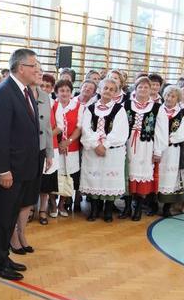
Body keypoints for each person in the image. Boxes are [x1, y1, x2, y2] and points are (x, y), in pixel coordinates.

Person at [0, 48, 40, 280]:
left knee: (9, 217)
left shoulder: (25, 91)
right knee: (1, 217)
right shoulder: (3, 93)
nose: (37, 70)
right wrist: (4, 170)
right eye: (33, 66)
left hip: (23, 168)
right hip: (8, 171)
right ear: (20, 68)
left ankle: (4, 256)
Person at [10, 63, 53, 251]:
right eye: (36, 70)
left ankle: (22, 232)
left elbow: (48, 127)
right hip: (21, 153)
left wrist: (49, 153)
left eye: (41, 72)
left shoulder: (45, 96)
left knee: (29, 196)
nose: (39, 74)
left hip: (39, 151)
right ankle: (12, 234)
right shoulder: (20, 93)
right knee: (17, 196)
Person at [79, 78, 129, 222]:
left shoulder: (119, 109)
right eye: (105, 88)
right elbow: (86, 129)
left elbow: (120, 131)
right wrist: (96, 144)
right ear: (99, 90)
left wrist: (105, 145)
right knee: (94, 179)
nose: (108, 91)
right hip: (93, 150)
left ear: (116, 93)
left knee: (110, 180)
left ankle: (108, 210)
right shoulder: (90, 108)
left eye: (112, 89)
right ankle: (94, 209)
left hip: (111, 152)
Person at [121, 77, 167, 221]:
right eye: (140, 87)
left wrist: (158, 151)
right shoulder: (126, 104)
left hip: (146, 146)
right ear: (135, 89)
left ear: (151, 90)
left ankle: (138, 208)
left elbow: (161, 131)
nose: (143, 89)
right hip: (127, 144)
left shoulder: (158, 108)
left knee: (142, 176)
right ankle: (127, 207)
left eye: (146, 87)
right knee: (127, 173)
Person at [51, 79, 84, 217]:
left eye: (67, 90)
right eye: (61, 90)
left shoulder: (79, 106)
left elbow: (79, 128)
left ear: (71, 92)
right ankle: (53, 205)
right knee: (53, 175)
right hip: (54, 147)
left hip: (72, 147)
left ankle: (62, 204)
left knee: (68, 176)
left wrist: (67, 142)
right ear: (56, 92)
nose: (64, 93)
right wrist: (59, 143)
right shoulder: (52, 105)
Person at [157, 85, 184, 217]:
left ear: (178, 99)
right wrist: (160, 140)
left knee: (170, 178)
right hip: (157, 148)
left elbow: (183, 132)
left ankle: (167, 207)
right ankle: (152, 204)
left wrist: (168, 139)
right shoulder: (157, 109)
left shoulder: (183, 113)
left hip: (172, 150)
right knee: (156, 174)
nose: (169, 98)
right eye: (167, 95)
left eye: (173, 96)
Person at [38, 73, 59, 224]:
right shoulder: (32, 99)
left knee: (46, 183)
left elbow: (60, 126)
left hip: (50, 146)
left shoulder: (55, 104)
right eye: (42, 85)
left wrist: (47, 135)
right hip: (35, 146)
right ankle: (30, 208)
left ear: (52, 89)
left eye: (48, 86)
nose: (44, 88)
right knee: (33, 179)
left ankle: (43, 210)